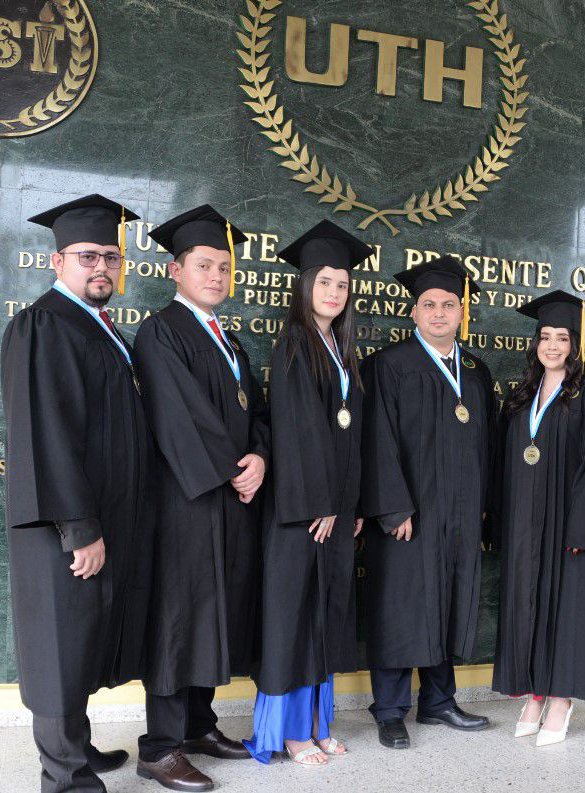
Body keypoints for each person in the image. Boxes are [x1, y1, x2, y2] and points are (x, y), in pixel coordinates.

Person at [1, 194, 155, 792]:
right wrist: (79, 527)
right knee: (58, 646)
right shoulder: (44, 325)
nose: (102, 268)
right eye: (88, 256)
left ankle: (78, 749)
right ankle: (65, 777)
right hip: (64, 528)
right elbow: (47, 435)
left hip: (102, 518)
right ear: (56, 260)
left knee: (81, 638)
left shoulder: (99, 328)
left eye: (111, 257)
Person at [134, 205, 270, 792]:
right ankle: (159, 747)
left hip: (230, 499)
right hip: (186, 503)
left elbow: (256, 411)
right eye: (203, 265)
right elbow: (179, 415)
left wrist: (259, 457)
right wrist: (230, 470)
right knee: (179, 617)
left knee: (215, 613)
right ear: (176, 270)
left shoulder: (230, 340)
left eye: (223, 267)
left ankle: (198, 725)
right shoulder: (161, 331)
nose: (216, 276)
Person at [245, 219, 371, 766]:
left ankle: (319, 723)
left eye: (342, 285)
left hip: (333, 511)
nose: (334, 292)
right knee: (294, 619)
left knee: (324, 617)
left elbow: (350, 436)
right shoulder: (294, 344)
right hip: (302, 512)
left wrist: (350, 504)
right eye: (324, 282)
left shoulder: (341, 349)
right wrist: (319, 503)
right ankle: (291, 733)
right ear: (305, 286)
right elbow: (297, 432)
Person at [361, 256, 496, 749]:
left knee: (447, 601)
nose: (439, 312)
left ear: (462, 312)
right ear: (413, 312)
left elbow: (489, 443)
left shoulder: (475, 370)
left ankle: (439, 701)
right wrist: (393, 507)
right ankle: (390, 710)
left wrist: (483, 505)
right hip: (409, 513)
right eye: (429, 304)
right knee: (401, 606)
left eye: (449, 304)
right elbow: (376, 439)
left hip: (459, 513)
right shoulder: (388, 365)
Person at [492, 291, 585, 746]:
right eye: (545, 336)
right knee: (527, 606)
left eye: (562, 338)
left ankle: (562, 699)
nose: (552, 345)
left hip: (571, 526)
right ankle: (534, 693)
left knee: (568, 611)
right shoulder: (520, 396)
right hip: (524, 524)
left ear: (575, 345)